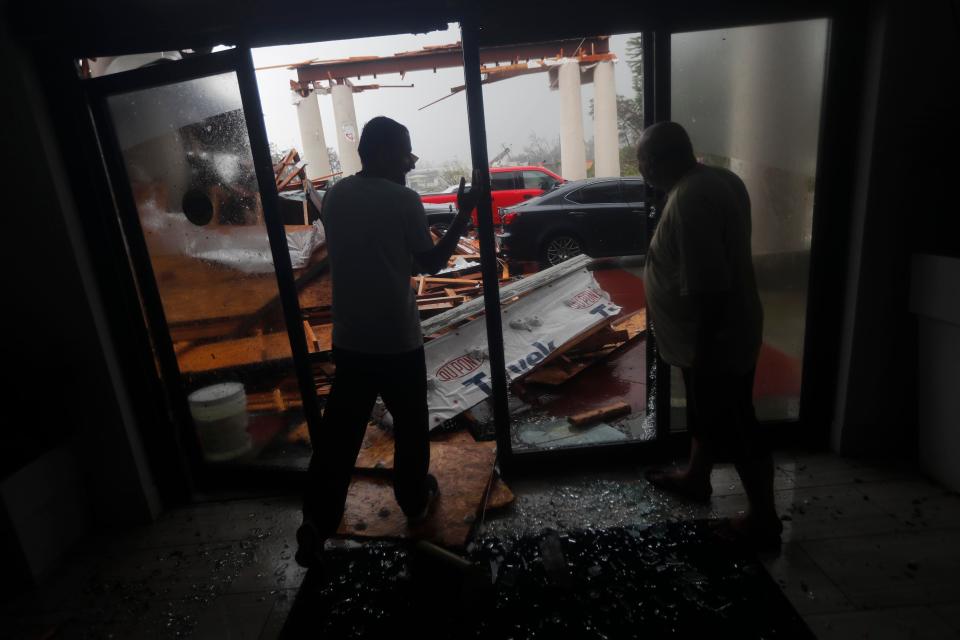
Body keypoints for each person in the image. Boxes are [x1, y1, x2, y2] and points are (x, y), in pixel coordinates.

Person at [295, 116, 479, 567]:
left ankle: (316, 524)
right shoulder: (404, 200)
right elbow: (431, 263)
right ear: (379, 153)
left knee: (339, 437)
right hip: (397, 342)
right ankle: (414, 502)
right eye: (404, 151)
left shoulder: (335, 197)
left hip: (350, 340)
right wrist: (464, 213)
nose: (411, 160)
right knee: (411, 428)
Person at [638, 121, 782, 548]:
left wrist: (704, 355)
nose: (642, 170)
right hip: (715, 332)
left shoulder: (690, 199)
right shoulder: (718, 180)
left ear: (658, 161)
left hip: (713, 338)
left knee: (737, 424)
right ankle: (697, 477)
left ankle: (764, 520)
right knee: (711, 414)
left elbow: (708, 285)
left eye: (643, 160)